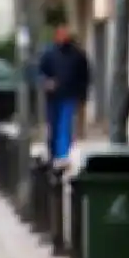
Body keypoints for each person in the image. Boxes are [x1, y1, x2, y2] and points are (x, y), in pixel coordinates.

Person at [37, 24, 92, 162]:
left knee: (65, 125)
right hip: (52, 96)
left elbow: (85, 76)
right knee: (53, 125)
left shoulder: (77, 54)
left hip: (69, 95)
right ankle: (54, 153)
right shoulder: (49, 53)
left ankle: (62, 155)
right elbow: (40, 72)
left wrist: (82, 95)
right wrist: (46, 82)